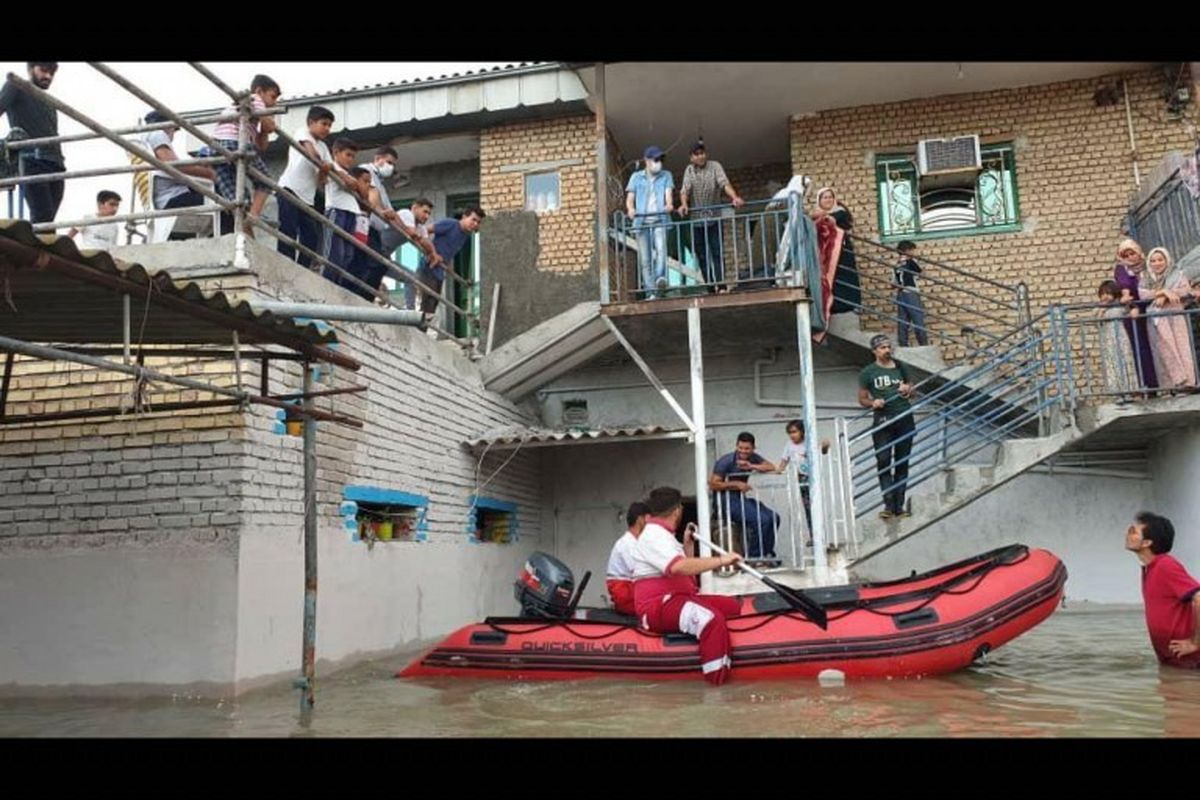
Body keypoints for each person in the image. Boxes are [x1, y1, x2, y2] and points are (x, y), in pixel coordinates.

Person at [629, 486, 742, 685]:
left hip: (678, 599)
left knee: (732, 607)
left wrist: (687, 547)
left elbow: (684, 572)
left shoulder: (665, 536)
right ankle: (717, 682)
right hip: (658, 606)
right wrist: (722, 560)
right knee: (710, 619)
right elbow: (678, 568)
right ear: (677, 510)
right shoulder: (653, 536)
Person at [1125, 511, 1200, 669]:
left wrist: (1195, 643)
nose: (1128, 534)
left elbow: (1199, 598)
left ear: (1147, 543)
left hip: (1192, 662)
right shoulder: (1150, 568)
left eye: (1133, 531)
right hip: (1176, 663)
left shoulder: (1165, 565)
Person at [211, 74, 281, 236]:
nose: (275, 102)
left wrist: (264, 130)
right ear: (259, 91)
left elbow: (261, 145)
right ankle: (254, 216)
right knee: (266, 182)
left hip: (219, 148)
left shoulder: (250, 113)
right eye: (272, 96)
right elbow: (268, 123)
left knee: (237, 201)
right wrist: (269, 121)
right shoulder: (253, 99)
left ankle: (245, 233)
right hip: (234, 143)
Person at [857, 334, 915, 519]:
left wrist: (908, 390)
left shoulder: (900, 367)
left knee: (902, 463)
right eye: (882, 347)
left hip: (904, 418)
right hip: (883, 420)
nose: (887, 350)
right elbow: (862, 399)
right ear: (874, 351)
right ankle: (889, 505)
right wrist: (873, 403)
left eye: (888, 347)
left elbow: (912, 391)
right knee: (883, 461)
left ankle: (899, 506)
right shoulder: (868, 372)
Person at [0, 63, 65, 223]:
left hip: (56, 163)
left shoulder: (49, 102)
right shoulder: (16, 85)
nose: (48, 76)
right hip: (33, 160)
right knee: (43, 217)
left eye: (51, 73)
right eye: (43, 70)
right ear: (30, 70)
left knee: (47, 220)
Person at [678, 140, 743, 292]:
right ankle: (709, 286)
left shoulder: (715, 166)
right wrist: (684, 205)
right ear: (691, 158)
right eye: (697, 154)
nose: (700, 157)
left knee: (717, 252)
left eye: (702, 153)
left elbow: (724, 184)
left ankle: (721, 285)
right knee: (701, 255)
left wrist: (734, 197)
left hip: (714, 218)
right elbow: (684, 190)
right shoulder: (689, 170)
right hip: (697, 220)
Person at [709, 432, 781, 566]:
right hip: (726, 500)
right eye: (740, 448)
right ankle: (754, 558)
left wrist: (752, 466)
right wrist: (736, 484)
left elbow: (771, 466)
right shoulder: (726, 461)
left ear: (753, 448)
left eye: (747, 449)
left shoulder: (753, 458)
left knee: (774, 517)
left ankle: (766, 553)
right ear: (736, 446)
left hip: (740, 498)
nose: (743, 451)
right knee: (761, 520)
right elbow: (713, 484)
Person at [276, 105, 334, 265]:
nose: (327, 129)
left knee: (311, 237)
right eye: (324, 124)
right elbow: (310, 153)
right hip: (289, 188)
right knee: (288, 230)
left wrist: (325, 169)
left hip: (308, 197)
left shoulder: (323, 147)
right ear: (311, 122)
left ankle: (301, 269)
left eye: (329, 125)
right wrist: (324, 165)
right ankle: (285, 265)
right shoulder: (303, 132)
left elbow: (323, 179)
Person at [1139, 246, 1198, 390]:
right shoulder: (1145, 278)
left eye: (1160, 260)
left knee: (1182, 347)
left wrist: (1165, 295)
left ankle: (1189, 383)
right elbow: (1143, 295)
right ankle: (1172, 385)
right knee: (1166, 350)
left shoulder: (1177, 274)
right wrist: (1163, 292)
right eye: (1153, 261)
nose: (1157, 263)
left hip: (1176, 315)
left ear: (1167, 260)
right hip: (1157, 318)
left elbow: (1186, 290)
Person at [416, 207, 485, 326]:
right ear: (464, 216)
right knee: (425, 305)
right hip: (429, 267)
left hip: (439, 272)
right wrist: (430, 252)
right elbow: (424, 231)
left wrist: (447, 266)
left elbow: (448, 251)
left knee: (431, 308)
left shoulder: (465, 236)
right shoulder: (450, 224)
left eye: (478, 222)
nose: (475, 224)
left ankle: (421, 333)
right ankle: (416, 333)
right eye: (473, 220)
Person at [625, 145, 674, 299]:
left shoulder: (666, 175)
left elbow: (668, 195)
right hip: (641, 223)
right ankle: (650, 291)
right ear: (646, 160)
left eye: (660, 159)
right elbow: (630, 199)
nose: (658, 162)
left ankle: (660, 279)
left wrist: (669, 205)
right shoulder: (636, 177)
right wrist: (631, 209)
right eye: (655, 159)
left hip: (660, 219)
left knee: (661, 251)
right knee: (645, 260)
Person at [1112, 239, 1159, 390]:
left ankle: (1168, 383)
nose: (1130, 258)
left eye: (1132, 253)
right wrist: (1132, 305)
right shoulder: (1122, 269)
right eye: (1126, 255)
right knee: (1142, 349)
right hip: (1135, 313)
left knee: (1159, 346)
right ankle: (1149, 386)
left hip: (1154, 309)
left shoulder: (1149, 265)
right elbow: (1125, 290)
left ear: (1138, 253)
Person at [776, 419, 830, 544]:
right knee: (808, 509)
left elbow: (822, 452)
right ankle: (813, 536)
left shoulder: (809, 441)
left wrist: (825, 446)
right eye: (790, 433)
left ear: (802, 431)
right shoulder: (789, 445)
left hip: (813, 478)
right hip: (802, 477)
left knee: (816, 507)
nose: (792, 435)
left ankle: (820, 535)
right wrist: (778, 470)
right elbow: (784, 461)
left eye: (794, 432)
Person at [812, 187, 861, 314]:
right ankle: (832, 306)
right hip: (826, 252)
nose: (828, 200)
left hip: (842, 252)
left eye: (830, 197)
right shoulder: (816, 214)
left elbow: (830, 220)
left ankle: (852, 305)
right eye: (825, 197)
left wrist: (819, 216)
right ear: (819, 200)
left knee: (846, 275)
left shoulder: (840, 212)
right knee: (830, 278)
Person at [605, 501, 650, 616]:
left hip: (631, 592)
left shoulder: (636, 543)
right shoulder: (626, 544)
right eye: (648, 519)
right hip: (626, 595)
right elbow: (640, 572)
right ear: (640, 519)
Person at [1096, 280, 1138, 399]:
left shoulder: (1121, 305)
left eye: (1108, 293)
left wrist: (1133, 309)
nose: (1105, 296)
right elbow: (1097, 320)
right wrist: (1102, 309)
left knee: (1125, 361)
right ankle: (1117, 393)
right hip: (1108, 340)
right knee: (1112, 365)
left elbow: (1132, 309)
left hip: (1121, 337)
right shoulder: (1098, 308)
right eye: (1103, 293)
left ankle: (1129, 391)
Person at [894, 240, 928, 346]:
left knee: (903, 321)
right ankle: (923, 344)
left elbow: (893, 283)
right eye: (912, 250)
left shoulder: (897, 264)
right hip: (911, 292)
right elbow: (921, 272)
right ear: (907, 251)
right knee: (918, 319)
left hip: (900, 294)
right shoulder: (910, 262)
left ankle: (903, 344)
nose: (913, 253)